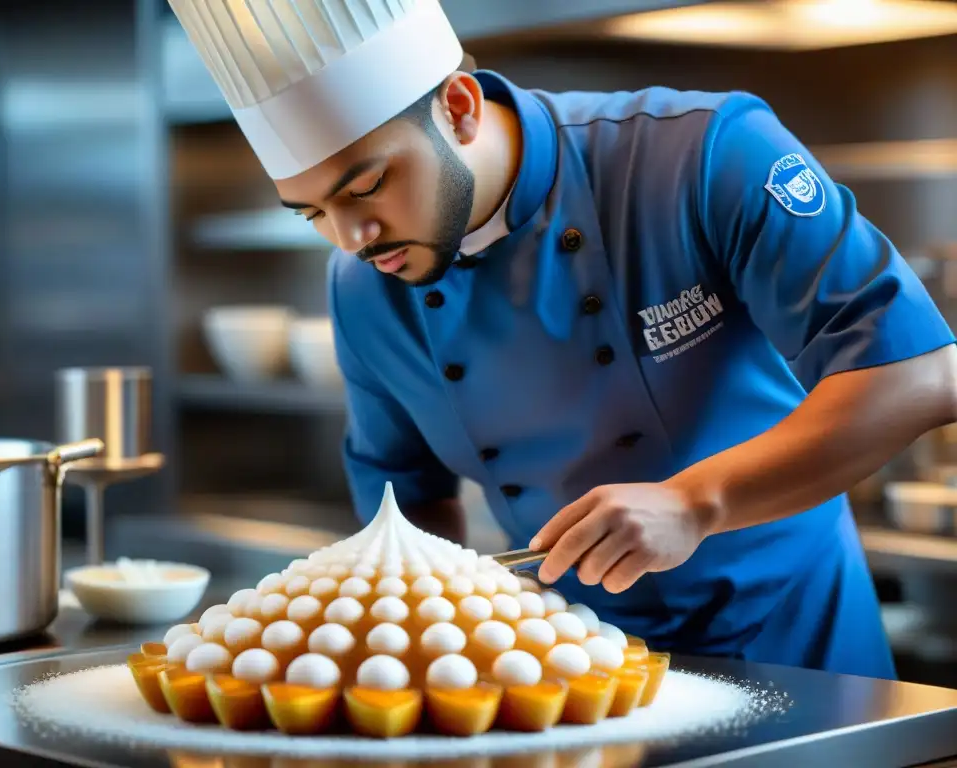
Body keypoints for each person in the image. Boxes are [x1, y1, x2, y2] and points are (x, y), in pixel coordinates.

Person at [169, 0, 957, 680]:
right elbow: (401, 501)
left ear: (460, 107)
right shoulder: (363, 287)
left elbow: (920, 371)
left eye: (367, 186)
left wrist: (694, 503)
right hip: (565, 669)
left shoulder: (701, 155)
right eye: (311, 213)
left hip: (794, 644)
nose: (351, 238)